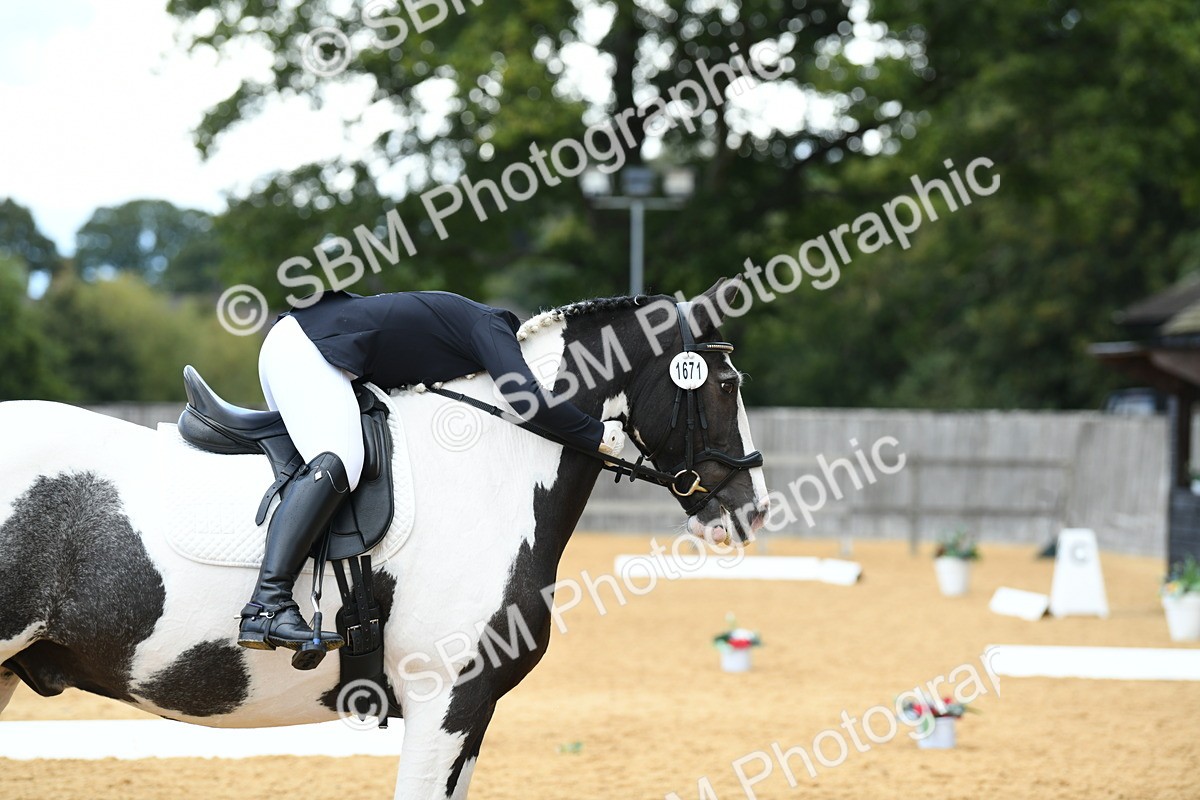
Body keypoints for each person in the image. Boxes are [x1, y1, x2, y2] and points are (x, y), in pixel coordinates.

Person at [237, 289, 626, 654]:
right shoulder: (491, 325)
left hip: (305, 345)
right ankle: (267, 605)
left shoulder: (460, 329)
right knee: (342, 459)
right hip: (306, 348)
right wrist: (596, 436)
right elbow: (523, 396)